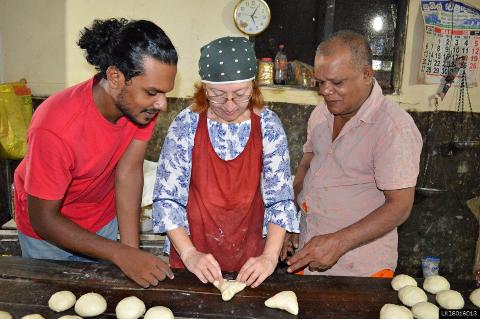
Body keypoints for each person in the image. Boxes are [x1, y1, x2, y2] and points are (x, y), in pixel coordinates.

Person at [13, 18, 178, 288]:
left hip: (101, 220)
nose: (161, 104)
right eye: (152, 92)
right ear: (115, 77)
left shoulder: (140, 110)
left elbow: (129, 172)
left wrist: (130, 251)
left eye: (164, 93)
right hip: (48, 235)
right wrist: (119, 253)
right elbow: (43, 219)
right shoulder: (55, 127)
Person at [152, 36, 299, 288]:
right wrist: (188, 253)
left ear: (253, 88)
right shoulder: (186, 124)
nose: (230, 105)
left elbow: (280, 199)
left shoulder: (268, 125)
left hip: (250, 253)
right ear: (204, 88)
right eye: (218, 95)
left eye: (240, 94)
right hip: (193, 250)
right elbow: (167, 198)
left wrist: (270, 256)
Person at [281, 30, 423, 277]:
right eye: (320, 82)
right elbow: (306, 167)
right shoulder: (321, 115)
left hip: (361, 269)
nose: (326, 91)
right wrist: (291, 221)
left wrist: (338, 243)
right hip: (309, 254)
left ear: (367, 74)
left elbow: (400, 206)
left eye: (337, 83)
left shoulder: (393, 127)